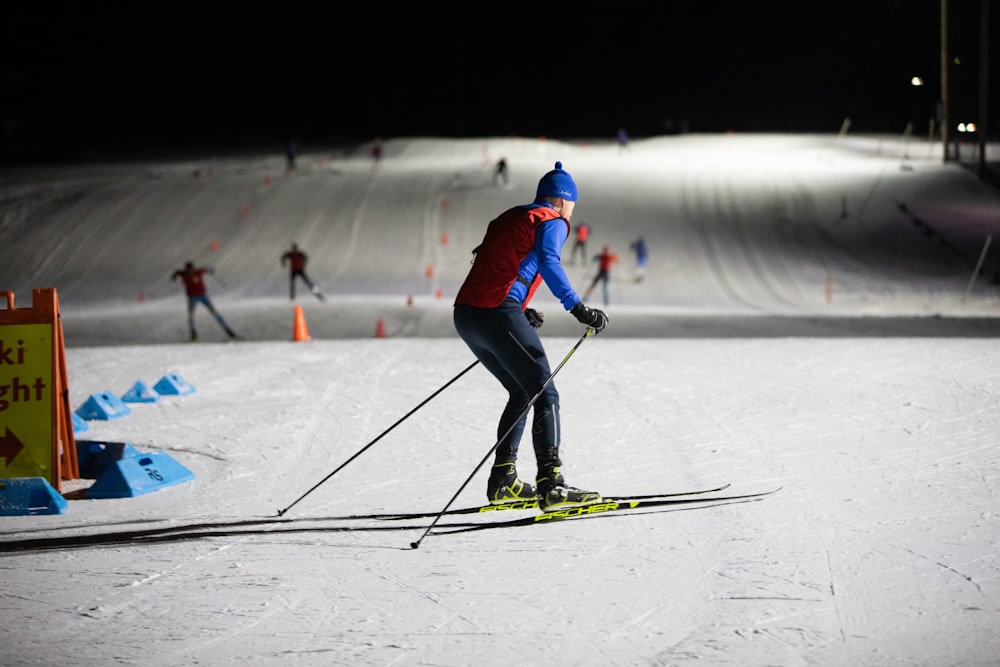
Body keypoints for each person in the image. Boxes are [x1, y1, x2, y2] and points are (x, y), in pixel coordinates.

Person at [453, 161, 609, 512]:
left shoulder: (512, 215)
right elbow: (550, 261)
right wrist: (578, 308)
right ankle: (552, 484)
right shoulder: (552, 220)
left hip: (468, 314)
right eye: (572, 204)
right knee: (544, 388)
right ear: (563, 200)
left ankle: (504, 481)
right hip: (496, 311)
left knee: (523, 390)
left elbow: (497, 262)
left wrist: (519, 310)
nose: (571, 211)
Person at [170, 261, 238, 341]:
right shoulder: (183, 273)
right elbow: (176, 272)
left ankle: (227, 329)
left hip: (203, 296)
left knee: (214, 312)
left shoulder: (198, 272)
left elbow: (206, 269)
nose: (190, 271)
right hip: (192, 297)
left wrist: (210, 270)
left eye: (191, 269)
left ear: (193, 268)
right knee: (191, 315)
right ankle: (193, 333)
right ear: (186, 269)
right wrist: (174, 276)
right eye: (188, 270)